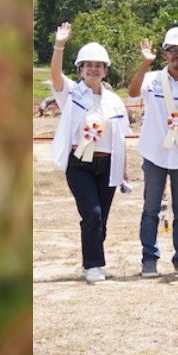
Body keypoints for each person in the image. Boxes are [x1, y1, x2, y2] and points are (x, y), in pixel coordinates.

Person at [50, 27, 131, 282]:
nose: (93, 70)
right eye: (88, 65)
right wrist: (59, 45)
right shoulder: (71, 93)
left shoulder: (115, 101)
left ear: (105, 70)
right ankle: (91, 265)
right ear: (80, 69)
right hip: (79, 165)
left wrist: (124, 170)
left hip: (107, 164)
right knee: (92, 213)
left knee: (102, 218)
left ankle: (95, 262)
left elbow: (120, 138)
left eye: (99, 65)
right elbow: (54, 75)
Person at [127, 26, 178, 278]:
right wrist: (143, 64)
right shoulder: (151, 80)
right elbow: (131, 93)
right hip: (154, 153)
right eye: (173, 50)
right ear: (164, 54)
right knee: (151, 208)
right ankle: (149, 259)